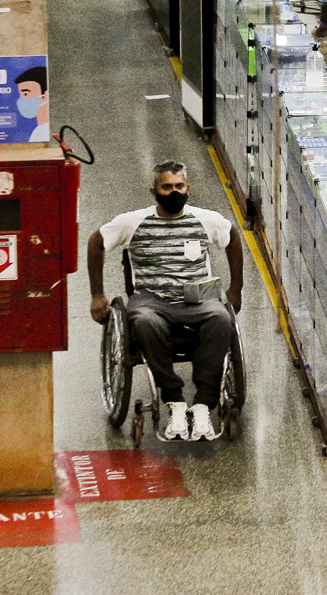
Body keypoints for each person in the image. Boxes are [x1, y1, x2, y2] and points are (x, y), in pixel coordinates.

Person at [89, 161, 243, 442]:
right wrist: (97, 295)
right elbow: (95, 242)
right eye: (167, 187)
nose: (174, 192)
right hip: (151, 300)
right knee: (145, 323)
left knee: (222, 318)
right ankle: (174, 399)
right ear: (154, 191)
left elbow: (233, 238)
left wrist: (236, 288)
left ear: (188, 188)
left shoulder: (204, 219)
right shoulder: (132, 222)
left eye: (179, 186)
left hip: (197, 298)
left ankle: (203, 405)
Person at [14, 67, 51, 142]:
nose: (21, 100)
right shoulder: (39, 131)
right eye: (20, 95)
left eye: (25, 94)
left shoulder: (43, 131)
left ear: (45, 95)